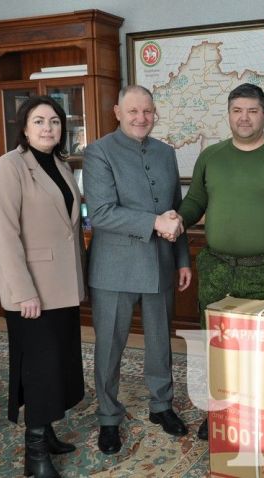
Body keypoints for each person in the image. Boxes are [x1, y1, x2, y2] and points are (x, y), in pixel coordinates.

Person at [177, 83, 264, 440]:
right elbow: (196, 202)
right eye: (237, 110)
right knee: (216, 347)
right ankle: (217, 413)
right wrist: (178, 219)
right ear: (229, 114)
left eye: (252, 110)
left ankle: (258, 415)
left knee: (260, 349)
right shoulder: (212, 156)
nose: (244, 117)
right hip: (216, 267)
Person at [83, 85, 192, 455]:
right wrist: (154, 222)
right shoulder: (97, 152)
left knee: (161, 344)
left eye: (147, 111)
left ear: (154, 113)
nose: (141, 118)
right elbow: (100, 213)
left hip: (161, 263)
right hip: (113, 268)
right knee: (109, 346)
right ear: (117, 111)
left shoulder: (165, 152)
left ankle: (162, 406)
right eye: (133, 111)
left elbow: (176, 210)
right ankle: (108, 417)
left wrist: (182, 260)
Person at [0, 95, 86, 478]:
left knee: (59, 362)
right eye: (39, 121)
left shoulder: (60, 163)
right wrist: (24, 291)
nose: (48, 128)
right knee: (40, 368)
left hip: (63, 286)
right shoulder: (8, 167)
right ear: (25, 128)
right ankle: (35, 455)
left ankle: (48, 431)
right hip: (32, 292)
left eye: (55, 122)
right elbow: (6, 236)